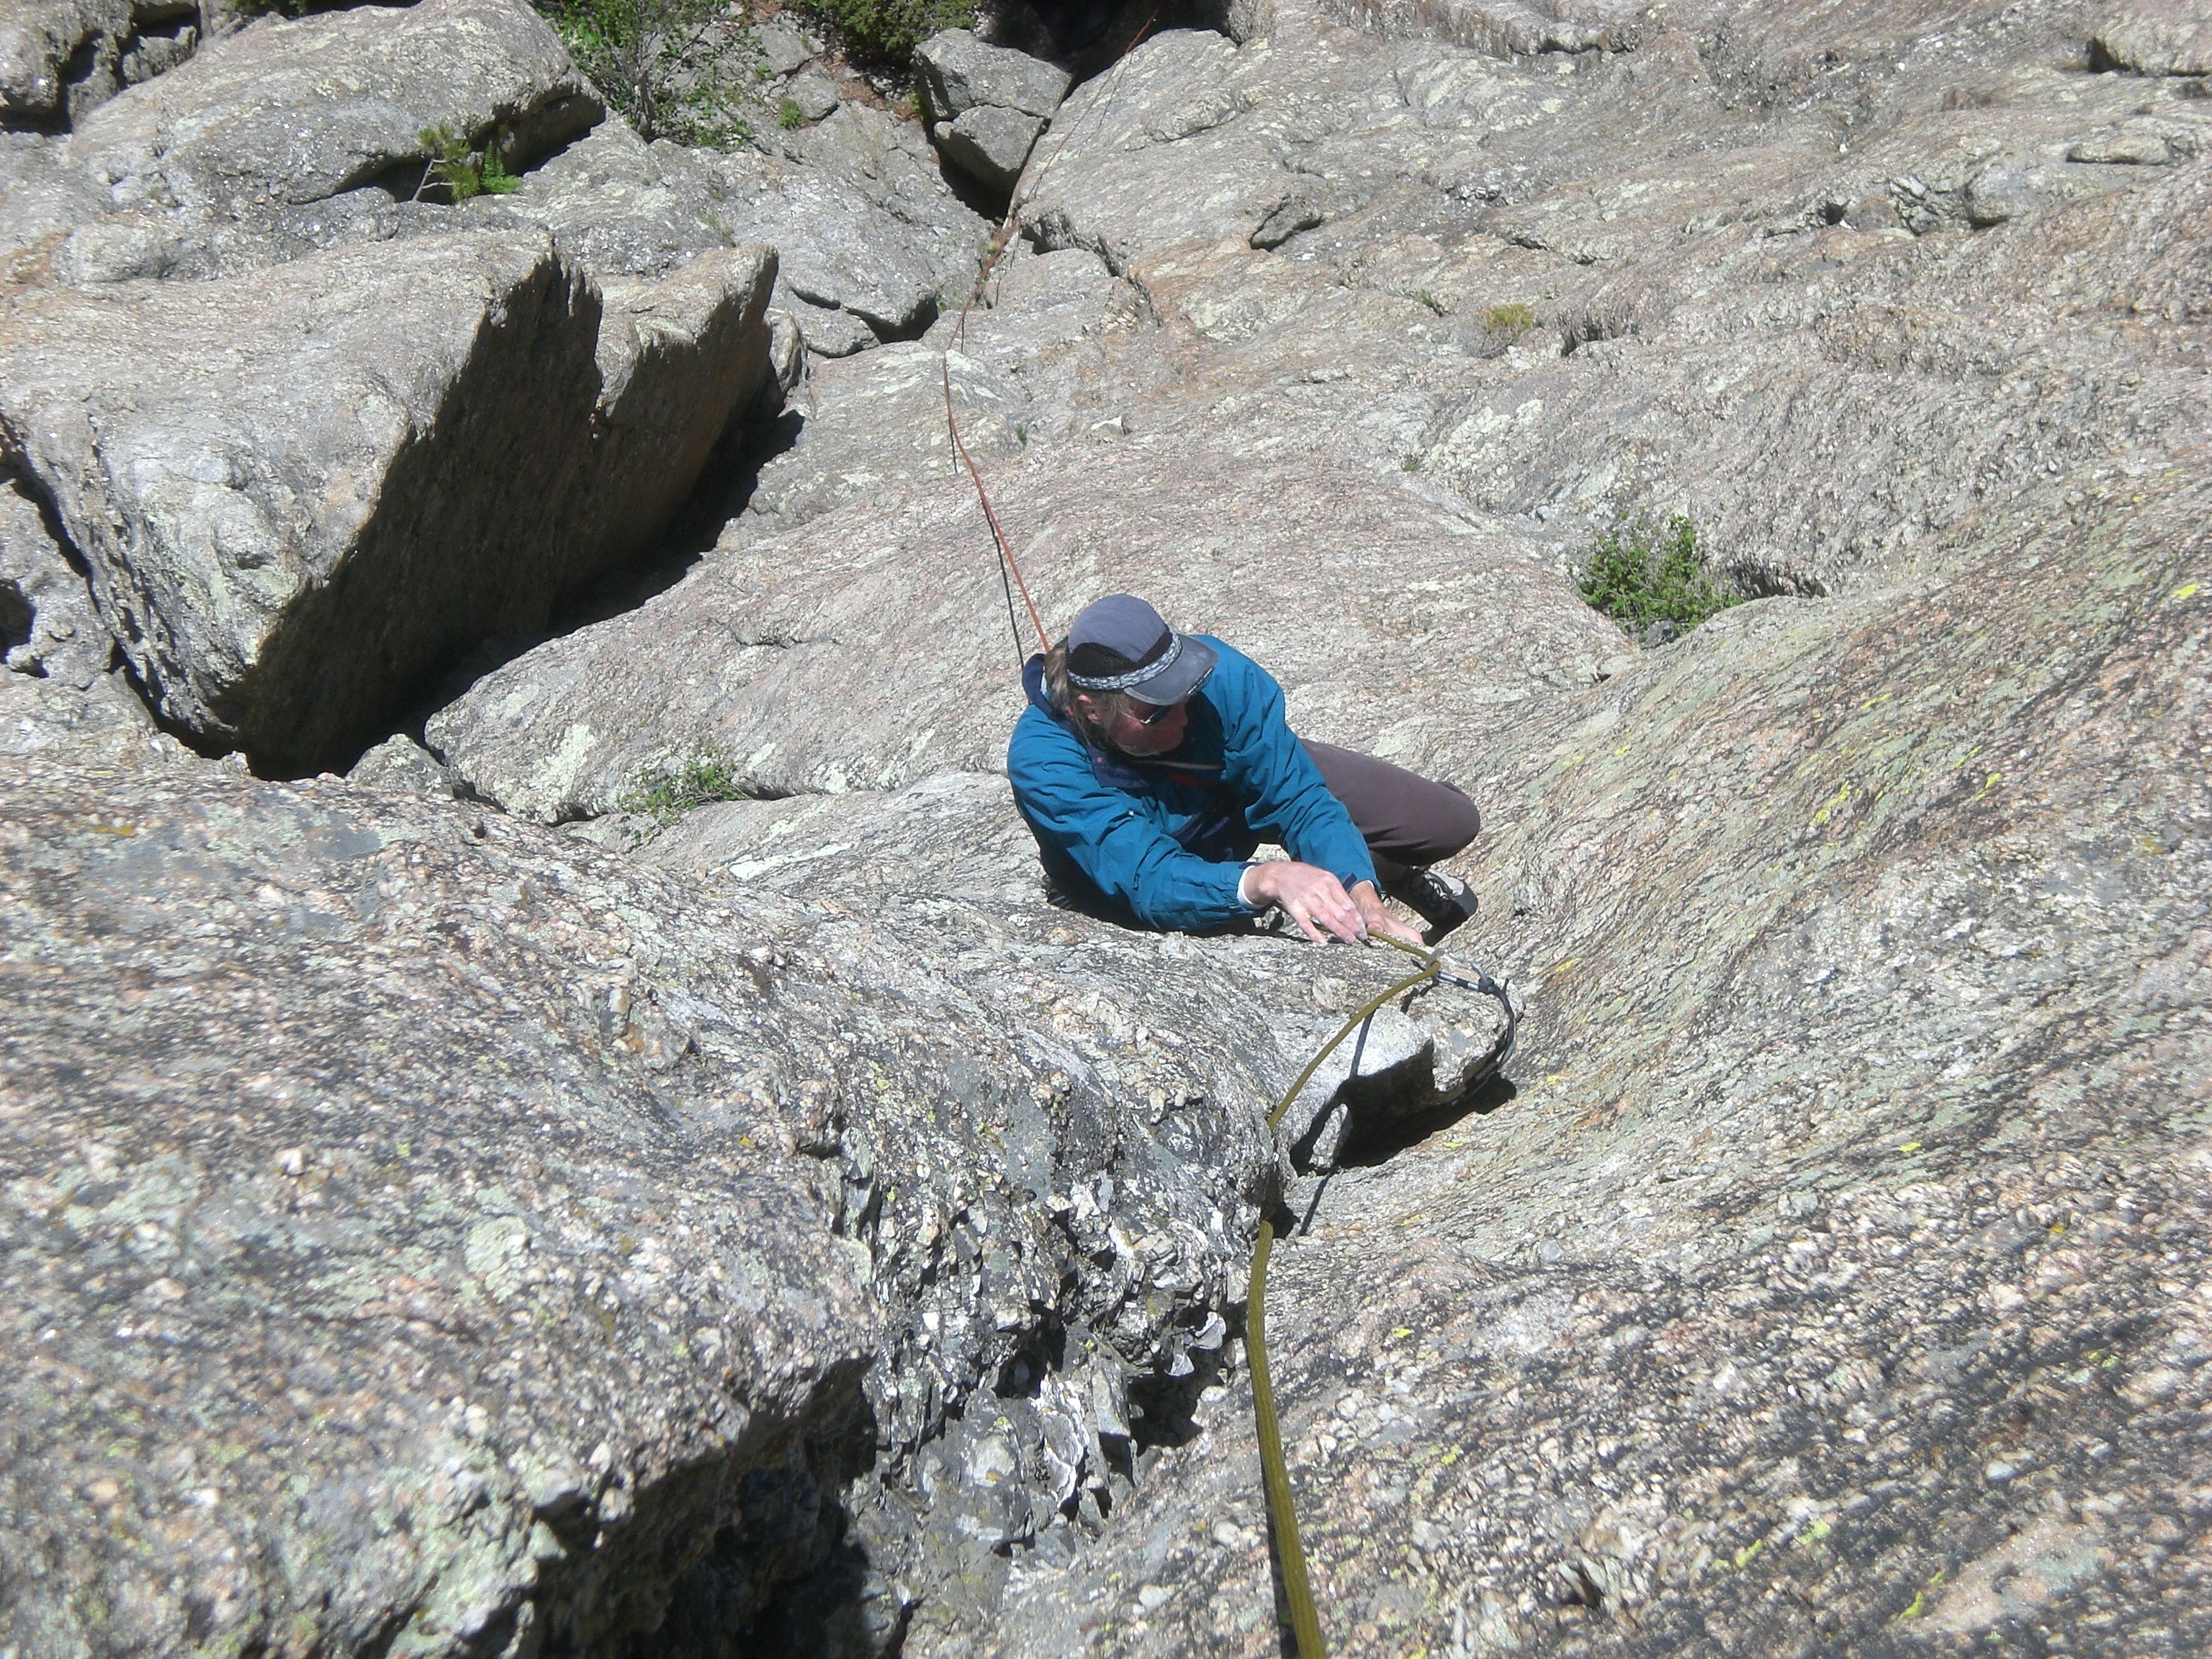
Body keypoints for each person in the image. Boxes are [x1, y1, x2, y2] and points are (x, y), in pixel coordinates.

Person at [1007, 594, 1482, 945]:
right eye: (1156, 711)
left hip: (1227, 794)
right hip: (1137, 864)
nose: (1183, 717)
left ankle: (1374, 869)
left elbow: (1298, 799)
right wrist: (1265, 880)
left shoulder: (1219, 676)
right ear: (1092, 710)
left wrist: (1362, 895)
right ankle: (1297, 879)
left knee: (1449, 822)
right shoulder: (1045, 762)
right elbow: (1147, 876)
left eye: (1186, 695)